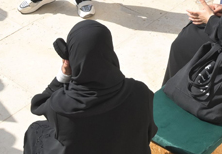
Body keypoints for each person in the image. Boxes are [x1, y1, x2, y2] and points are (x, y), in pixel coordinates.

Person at [25, 20, 156, 154]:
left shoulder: (61, 106)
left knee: (34, 130)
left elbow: (38, 104)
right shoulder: (141, 92)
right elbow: (150, 131)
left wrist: (64, 75)